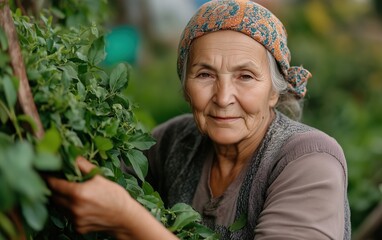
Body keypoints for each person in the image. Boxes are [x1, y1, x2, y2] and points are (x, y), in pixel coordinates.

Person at [48, 0, 351, 239]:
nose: (222, 97)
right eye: (205, 74)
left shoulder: (309, 160)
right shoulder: (174, 141)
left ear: (274, 92)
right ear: (185, 86)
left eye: (245, 76)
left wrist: (128, 220)